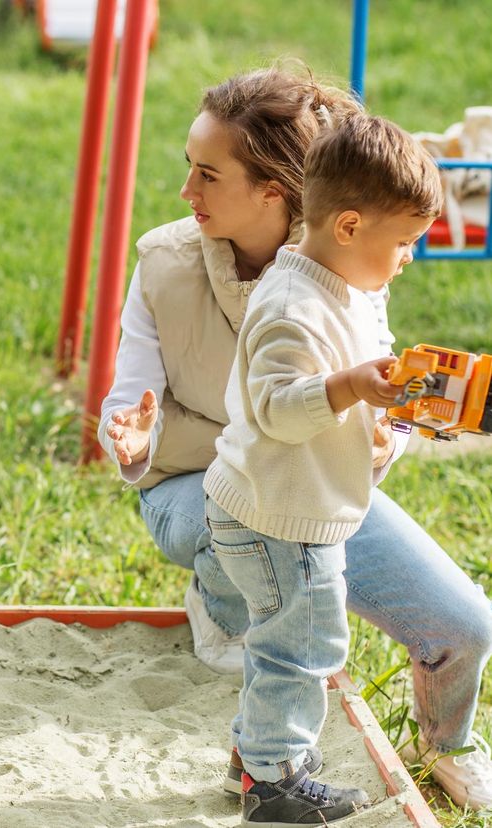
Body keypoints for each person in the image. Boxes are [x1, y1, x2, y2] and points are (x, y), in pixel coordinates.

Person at [100, 67, 492, 810]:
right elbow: (164, 400)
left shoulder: (357, 259)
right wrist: (132, 434)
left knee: (464, 625)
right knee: (295, 638)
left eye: (207, 175)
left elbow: (377, 396)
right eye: (191, 168)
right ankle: (264, 751)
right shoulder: (171, 264)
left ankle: (445, 743)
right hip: (218, 491)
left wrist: (393, 432)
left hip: (313, 492)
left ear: (276, 193)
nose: (187, 192)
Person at [204, 113, 440, 825]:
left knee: (286, 636)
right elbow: (278, 407)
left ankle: (257, 756)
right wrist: (349, 389)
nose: (406, 259)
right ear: (346, 227)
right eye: (401, 243)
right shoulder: (289, 306)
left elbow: (357, 372)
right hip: (278, 519)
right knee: (302, 646)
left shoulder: (346, 289)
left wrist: (385, 417)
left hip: (286, 505)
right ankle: (274, 784)